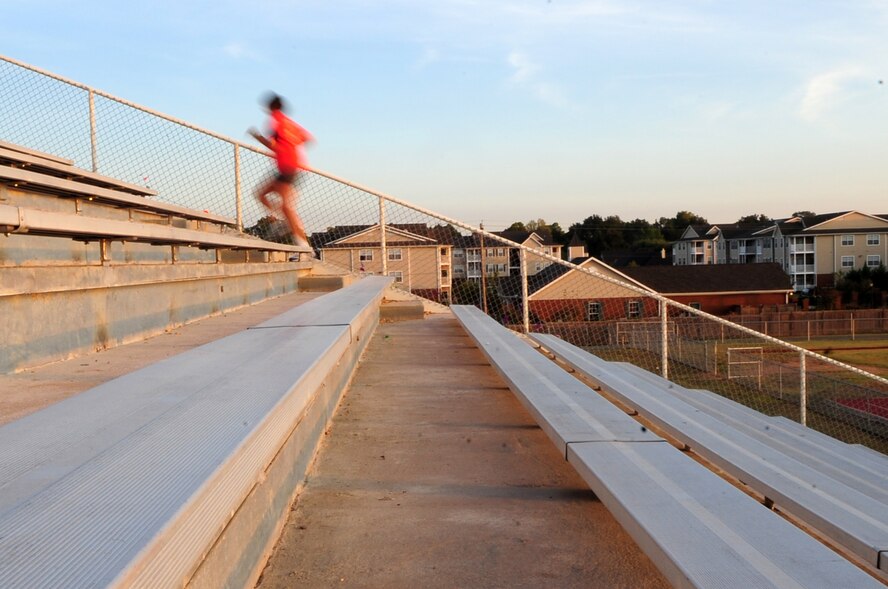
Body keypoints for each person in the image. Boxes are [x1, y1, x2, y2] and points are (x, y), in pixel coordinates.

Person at [248, 93, 313, 249]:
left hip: (288, 167)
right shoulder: (289, 122)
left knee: (286, 207)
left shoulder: (276, 121)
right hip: (291, 166)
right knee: (261, 194)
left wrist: (256, 136)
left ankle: (302, 242)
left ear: (270, 107)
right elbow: (307, 138)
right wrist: (291, 146)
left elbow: (273, 146)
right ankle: (284, 223)